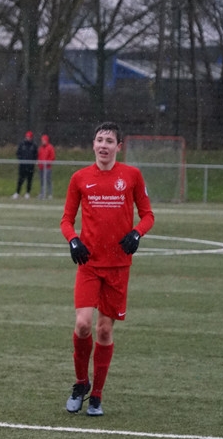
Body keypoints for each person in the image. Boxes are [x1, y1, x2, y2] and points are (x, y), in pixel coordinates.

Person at [60, 121, 154, 417]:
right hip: (89, 264)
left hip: (118, 266)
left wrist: (137, 233)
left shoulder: (132, 176)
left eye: (109, 141)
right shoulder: (79, 178)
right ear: (93, 144)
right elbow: (66, 220)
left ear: (118, 147)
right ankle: (80, 384)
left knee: (103, 330)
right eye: (100, 140)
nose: (104, 145)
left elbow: (148, 215)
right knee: (83, 324)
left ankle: (97, 396)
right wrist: (73, 240)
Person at [12, 131, 37, 200]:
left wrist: (32, 162)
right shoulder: (22, 144)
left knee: (29, 180)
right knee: (20, 179)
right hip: (22, 166)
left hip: (30, 166)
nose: (28, 138)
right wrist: (21, 160)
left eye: (29, 137)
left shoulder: (33, 145)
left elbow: (36, 155)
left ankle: (27, 193)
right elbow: (18, 153)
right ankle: (17, 192)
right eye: (27, 136)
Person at [37, 133, 56, 200]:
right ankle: (42, 193)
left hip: (47, 167)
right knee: (42, 181)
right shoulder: (41, 148)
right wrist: (39, 164)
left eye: (44, 140)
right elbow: (39, 156)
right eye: (42, 140)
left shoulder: (50, 147)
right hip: (41, 167)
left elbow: (52, 157)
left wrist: (47, 163)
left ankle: (50, 194)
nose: (43, 141)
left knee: (48, 181)